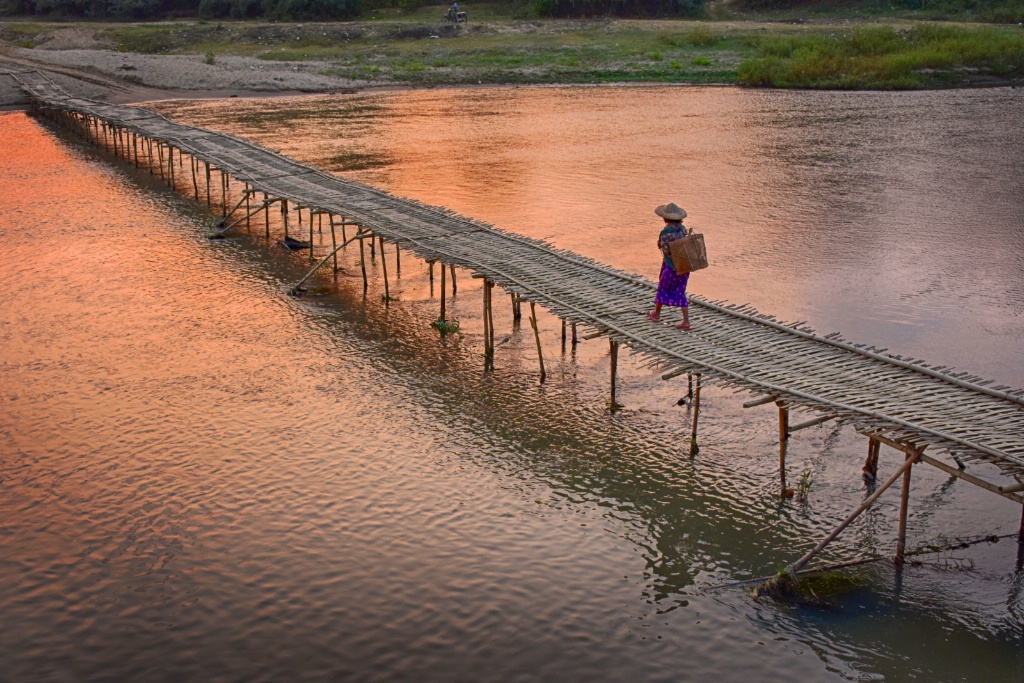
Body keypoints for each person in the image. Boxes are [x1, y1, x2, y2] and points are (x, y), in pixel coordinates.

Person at [647, 202, 692, 330]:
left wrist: (659, 244)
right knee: (680, 291)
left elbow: (666, 251)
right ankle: (686, 321)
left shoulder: (666, 233)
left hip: (671, 266)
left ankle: (656, 314)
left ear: (665, 218)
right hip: (683, 266)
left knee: (662, 288)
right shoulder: (682, 230)